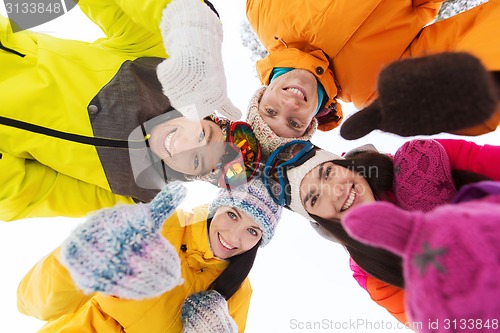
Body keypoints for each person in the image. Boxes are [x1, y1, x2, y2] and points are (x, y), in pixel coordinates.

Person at [0, 0, 260, 221]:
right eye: (203, 135)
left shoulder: (131, 191)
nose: (181, 145)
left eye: (196, 161)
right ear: (203, 115)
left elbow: (26, 194)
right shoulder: (158, 66)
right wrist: (191, 19)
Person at [263, 138, 500, 322]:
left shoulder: (422, 161)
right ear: (320, 222)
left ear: (348, 166)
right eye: (314, 199)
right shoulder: (371, 272)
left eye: (327, 173)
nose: (336, 192)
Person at [17, 178, 282, 332]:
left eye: (253, 231)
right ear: (217, 208)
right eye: (232, 215)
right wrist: (80, 261)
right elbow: (33, 303)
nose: (234, 237)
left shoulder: (237, 292)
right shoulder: (162, 224)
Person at [244, 0, 500, 155]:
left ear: (261, 93)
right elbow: (462, 47)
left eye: (270, 110)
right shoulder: (374, 89)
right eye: (294, 123)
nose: (289, 107)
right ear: (312, 122)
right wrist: (482, 85)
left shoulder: (263, 12)